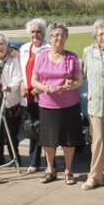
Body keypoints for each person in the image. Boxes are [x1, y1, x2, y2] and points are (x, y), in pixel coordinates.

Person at [31, 23, 84, 185]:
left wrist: (70, 85)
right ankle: (50, 170)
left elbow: (79, 81)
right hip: (47, 105)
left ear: (66, 38)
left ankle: (68, 170)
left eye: (62, 35)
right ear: (50, 38)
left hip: (69, 105)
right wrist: (45, 88)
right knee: (49, 140)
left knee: (68, 139)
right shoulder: (41, 57)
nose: (59, 38)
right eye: (55, 35)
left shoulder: (72, 57)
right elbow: (34, 80)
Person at [81, 19, 104, 190]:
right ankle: (94, 176)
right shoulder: (88, 52)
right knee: (97, 141)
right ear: (95, 36)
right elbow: (79, 75)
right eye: (101, 34)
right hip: (95, 104)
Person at [0, 33, 24, 165]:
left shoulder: (13, 60)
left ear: (7, 46)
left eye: (2, 44)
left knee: (11, 134)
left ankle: (15, 158)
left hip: (11, 102)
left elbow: (18, 77)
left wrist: (11, 87)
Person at [19, 18, 48, 173]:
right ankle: (34, 161)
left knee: (46, 129)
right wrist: (23, 85)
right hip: (28, 96)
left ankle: (51, 163)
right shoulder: (24, 48)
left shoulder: (48, 49)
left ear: (44, 33)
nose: (35, 34)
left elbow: (50, 73)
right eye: (33, 32)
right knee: (32, 129)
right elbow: (20, 72)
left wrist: (39, 88)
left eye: (38, 31)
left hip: (44, 96)